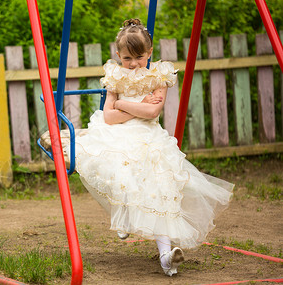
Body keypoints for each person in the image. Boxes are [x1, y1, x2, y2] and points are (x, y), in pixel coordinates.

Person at [72, 18, 234, 277]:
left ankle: (166, 257)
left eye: (139, 57)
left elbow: (153, 111)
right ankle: (124, 218)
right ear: (118, 55)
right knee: (120, 167)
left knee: (160, 188)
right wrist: (133, 106)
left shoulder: (158, 75)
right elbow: (109, 117)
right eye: (127, 58)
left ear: (149, 53)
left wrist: (123, 105)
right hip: (117, 135)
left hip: (150, 138)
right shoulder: (115, 76)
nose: (133, 64)